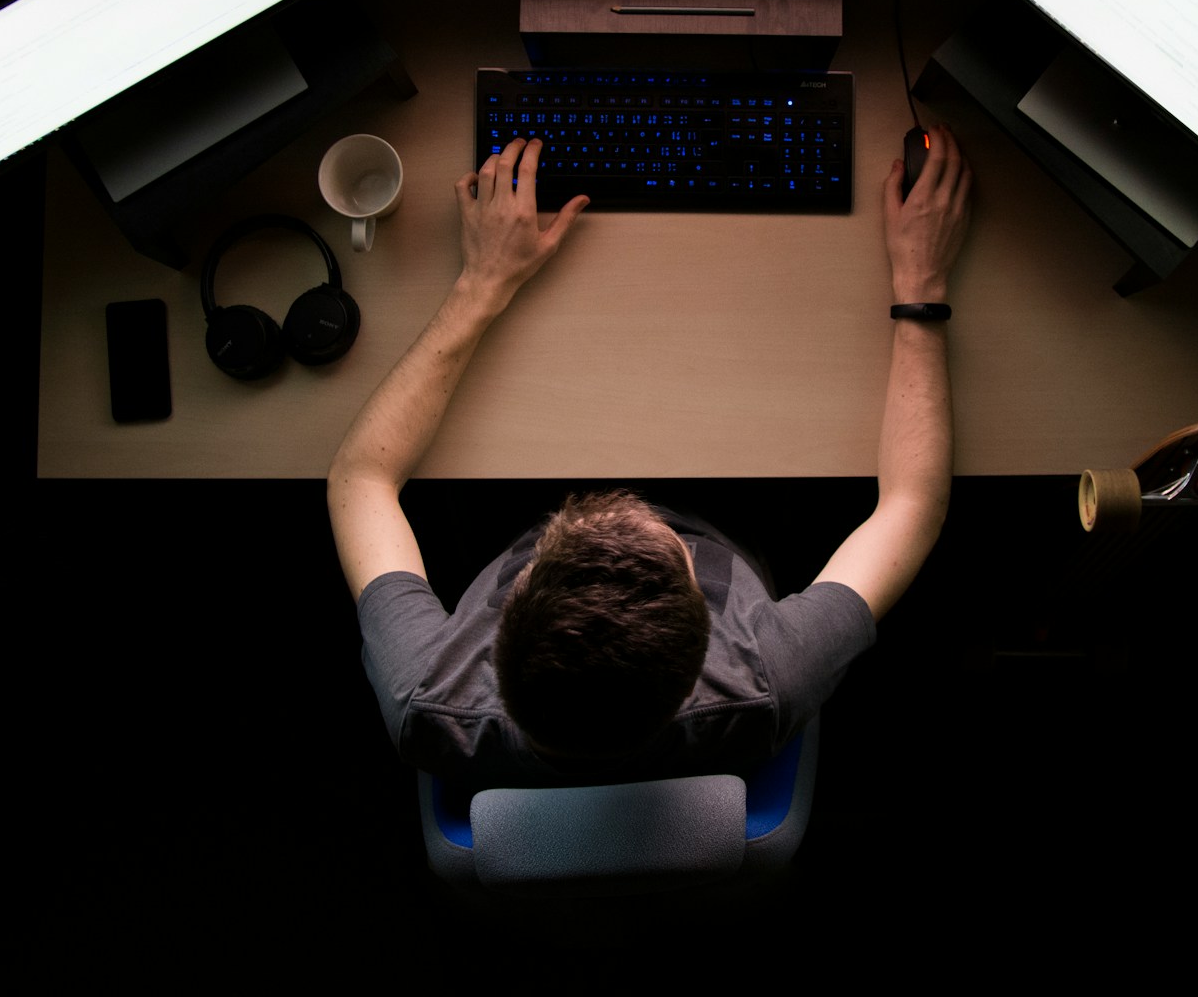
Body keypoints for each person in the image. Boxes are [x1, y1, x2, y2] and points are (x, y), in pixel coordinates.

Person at [328, 126, 972, 786]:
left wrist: (481, 282)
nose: (635, 502)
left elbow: (360, 477)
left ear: (510, 603)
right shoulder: (769, 676)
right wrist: (922, 281)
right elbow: (913, 504)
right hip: (739, 511)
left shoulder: (424, 697)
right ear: (702, 638)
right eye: (672, 552)